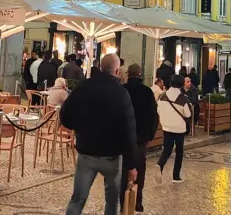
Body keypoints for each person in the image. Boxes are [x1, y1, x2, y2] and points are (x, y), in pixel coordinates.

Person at [59, 53, 137, 215]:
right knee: (112, 200)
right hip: (112, 157)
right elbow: (129, 129)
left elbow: (65, 114)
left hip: (86, 153)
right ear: (116, 71)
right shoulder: (121, 93)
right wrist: (131, 164)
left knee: (78, 199)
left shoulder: (84, 87)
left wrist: (78, 128)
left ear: (101, 67)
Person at [122, 64, 158, 213]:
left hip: (123, 137)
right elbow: (153, 116)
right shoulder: (147, 92)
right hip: (141, 137)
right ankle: (137, 201)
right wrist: (150, 135)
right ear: (140, 74)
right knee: (140, 168)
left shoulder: (122, 89)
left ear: (128, 74)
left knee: (124, 167)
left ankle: (122, 199)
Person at [155, 75, 191, 183]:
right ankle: (176, 176)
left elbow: (158, 111)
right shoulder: (182, 98)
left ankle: (159, 165)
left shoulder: (162, 96)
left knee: (167, 150)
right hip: (179, 129)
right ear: (181, 85)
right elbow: (188, 114)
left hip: (166, 127)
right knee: (179, 151)